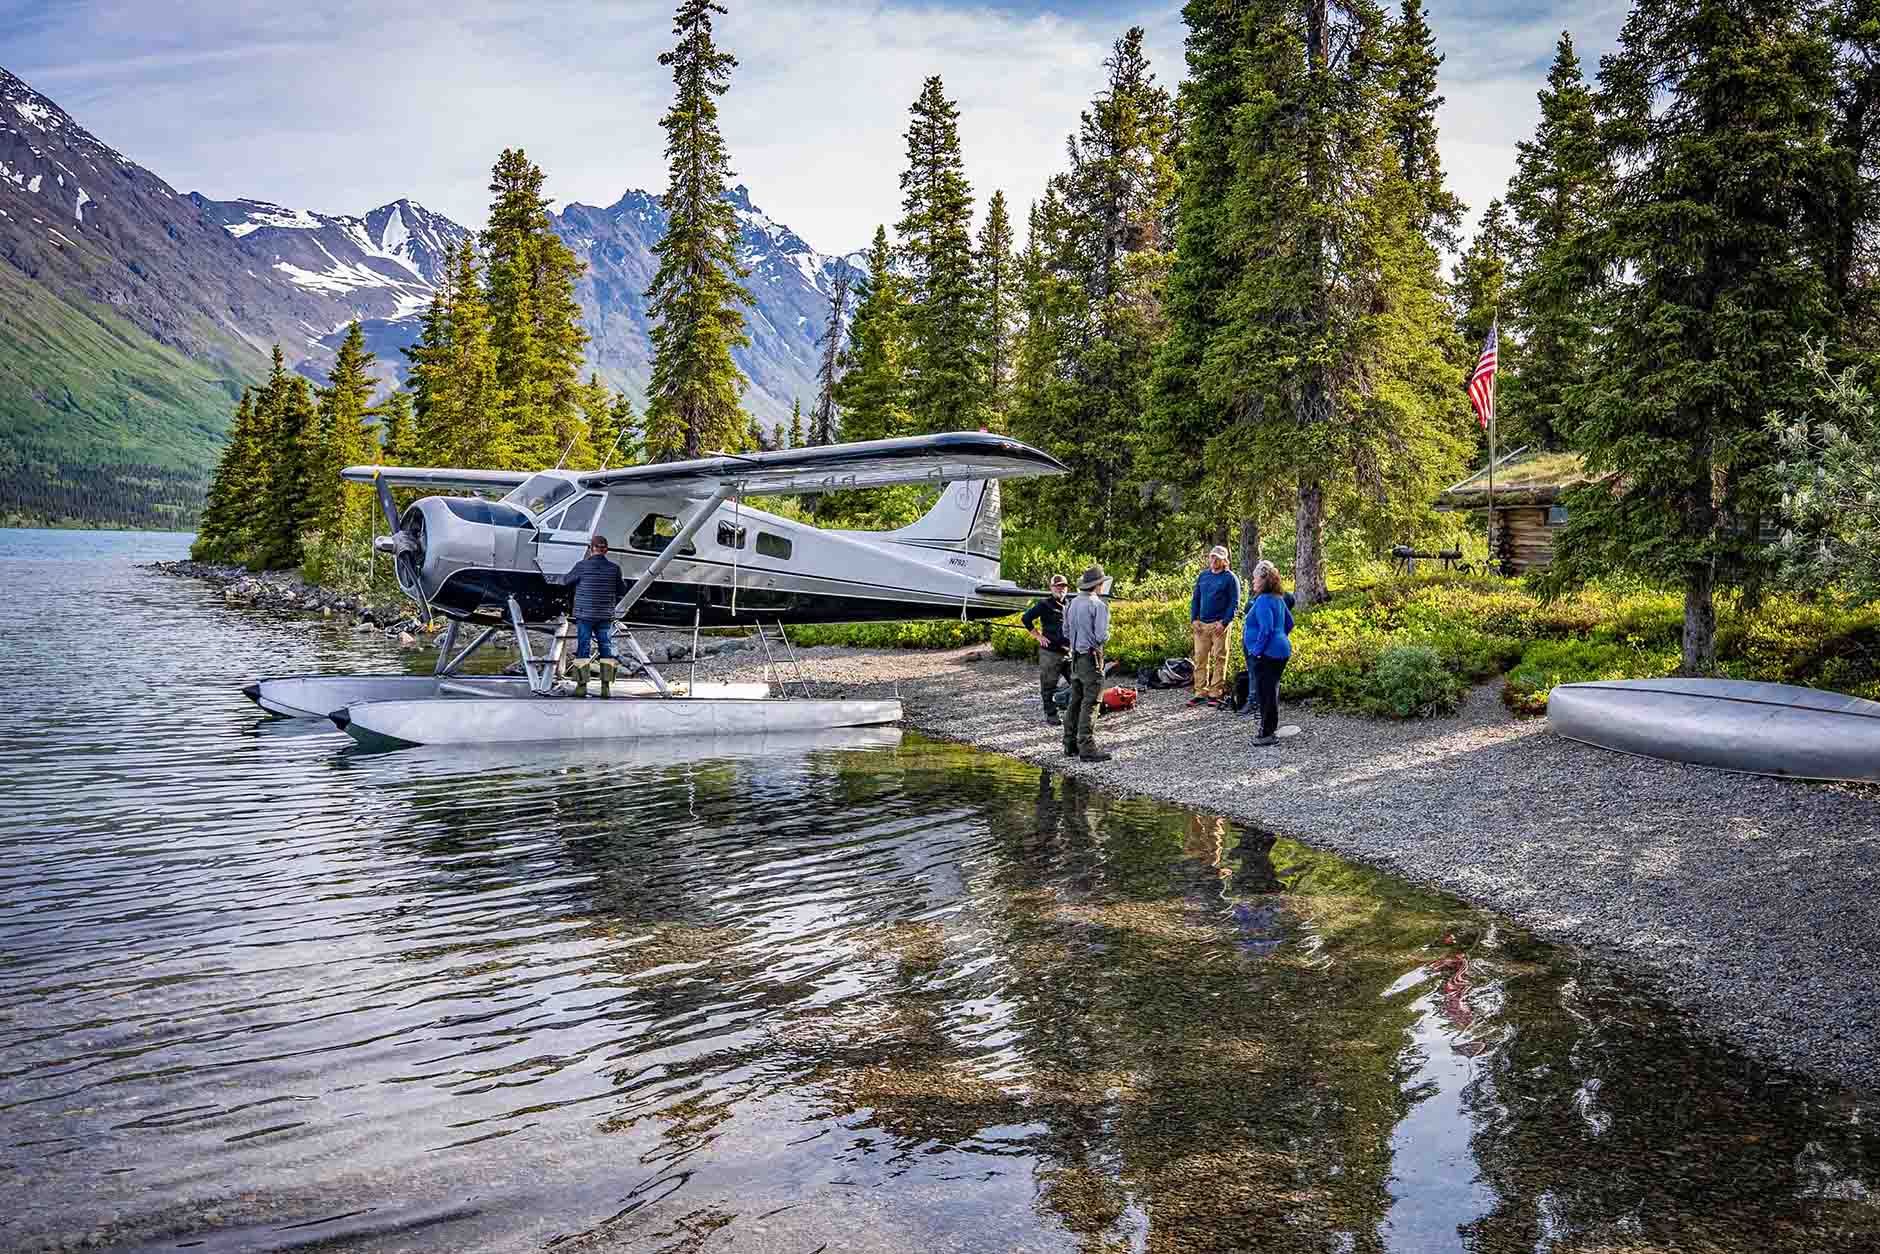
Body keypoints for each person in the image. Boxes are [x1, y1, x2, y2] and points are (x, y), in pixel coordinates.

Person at [543, 535, 628, 697]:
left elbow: (565, 581)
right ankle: (606, 688)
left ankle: (582, 687)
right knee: (606, 649)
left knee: (584, 648)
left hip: (585, 615)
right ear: (606, 550)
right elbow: (621, 590)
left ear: (590, 549)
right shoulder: (614, 569)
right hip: (604, 616)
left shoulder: (582, 566)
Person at [1062, 563, 1113, 763]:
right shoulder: (1099, 605)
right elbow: (1101, 636)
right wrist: (1108, 634)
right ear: (1099, 585)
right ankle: (1087, 747)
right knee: (1091, 702)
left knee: (1075, 701)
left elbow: (1065, 632)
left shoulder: (1072, 603)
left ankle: (1069, 744)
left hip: (1075, 658)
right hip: (1091, 659)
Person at [1241, 559, 1294, 746]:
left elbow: (1266, 629)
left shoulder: (1263, 600)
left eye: (1255, 578)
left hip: (1267, 654)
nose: (1253, 582)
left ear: (1263, 580)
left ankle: (1266, 733)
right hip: (1281, 650)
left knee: (1266, 693)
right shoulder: (1278, 598)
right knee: (1272, 690)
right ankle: (1269, 729)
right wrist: (1281, 638)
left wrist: (1256, 651)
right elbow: (1290, 623)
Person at [1188, 545, 1241, 707]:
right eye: (1212, 557)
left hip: (1219, 625)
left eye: (1217, 558)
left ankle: (1215, 692)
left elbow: (1234, 603)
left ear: (1224, 560)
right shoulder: (1203, 576)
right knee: (1200, 658)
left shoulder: (1230, 578)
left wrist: (1225, 622)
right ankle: (1200, 691)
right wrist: (1194, 619)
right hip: (1201, 625)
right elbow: (1196, 598)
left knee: (1219, 658)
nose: (1214, 560)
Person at [1021, 574, 1072, 725]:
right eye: (1057, 586)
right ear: (1051, 588)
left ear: (1067, 588)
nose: (1060, 589)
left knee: (1077, 681)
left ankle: (1070, 708)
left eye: (1063, 586)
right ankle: (1051, 715)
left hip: (1068, 652)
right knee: (1048, 685)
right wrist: (1038, 636)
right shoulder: (1044, 604)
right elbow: (1026, 618)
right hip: (1050, 653)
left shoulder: (1070, 604)